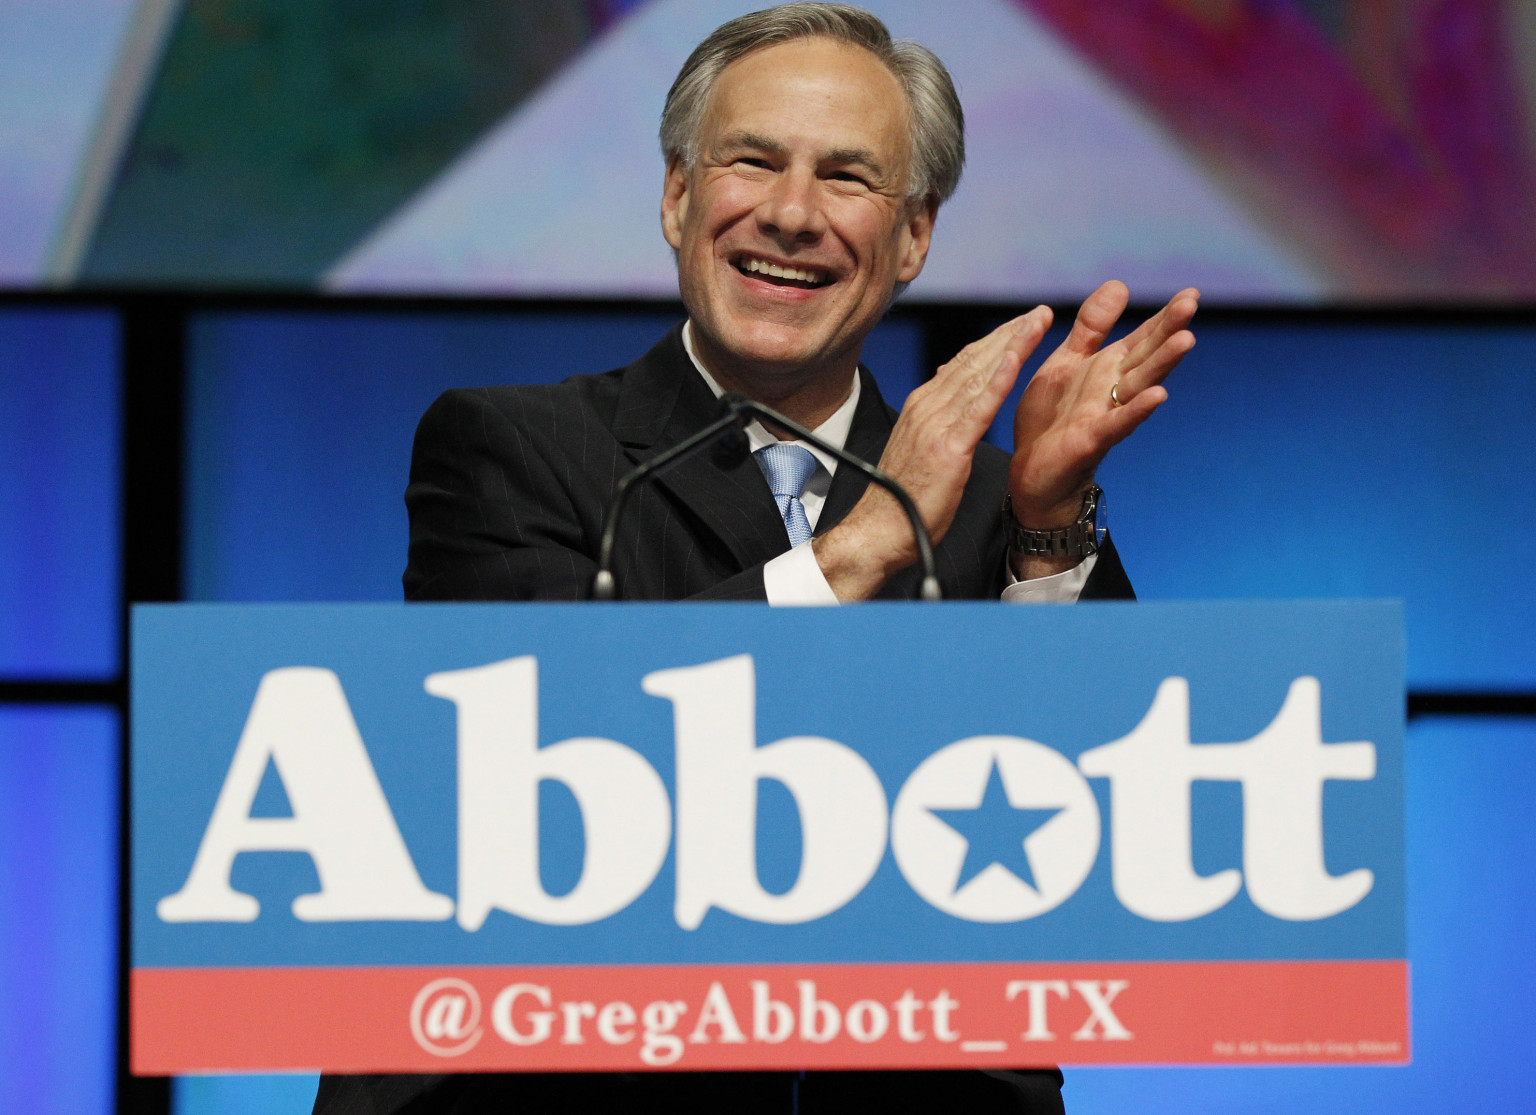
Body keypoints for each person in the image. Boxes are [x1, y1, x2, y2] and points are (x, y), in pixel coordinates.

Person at [315, 4, 1197, 1113]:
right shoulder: (516, 447)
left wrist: (1052, 521)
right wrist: (860, 546)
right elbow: (526, 767)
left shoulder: (991, 503)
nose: (790, 215)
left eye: (846, 177)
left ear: (914, 234)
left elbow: (1131, 829)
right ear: (680, 196)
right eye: (752, 161)